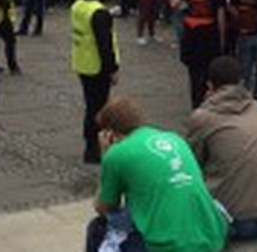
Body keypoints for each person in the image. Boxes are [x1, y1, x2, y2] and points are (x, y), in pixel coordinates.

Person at [85, 98, 229, 252]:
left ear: (110, 134)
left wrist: (105, 155)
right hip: (212, 237)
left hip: (168, 246)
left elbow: (103, 207)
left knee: (97, 228)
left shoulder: (117, 153)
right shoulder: (175, 138)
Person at [186, 56, 257, 241]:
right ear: (241, 82)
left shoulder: (202, 117)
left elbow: (191, 165)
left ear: (209, 86)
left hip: (235, 218)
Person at [71, 0, 120, 164]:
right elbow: (104, 44)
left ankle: (91, 145)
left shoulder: (77, 6)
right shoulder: (99, 12)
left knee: (91, 105)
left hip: (82, 62)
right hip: (97, 65)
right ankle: (93, 148)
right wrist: (113, 69)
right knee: (98, 108)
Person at [180, 0, 226, 108]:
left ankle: (196, 104)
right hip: (209, 33)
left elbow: (178, 3)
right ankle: (208, 103)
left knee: (194, 72)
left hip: (192, 32)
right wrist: (222, 37)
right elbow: (220, 14)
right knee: (208, 71)